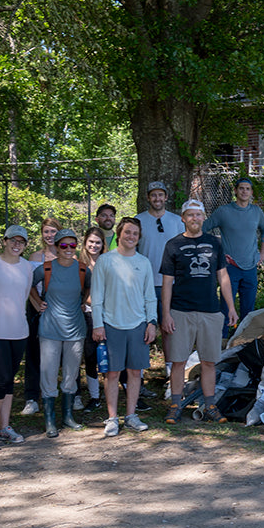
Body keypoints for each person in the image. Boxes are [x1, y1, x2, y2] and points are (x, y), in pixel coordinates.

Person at [161, 199, 239, 424]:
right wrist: (166, 314)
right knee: (178, 361)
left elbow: (223, 276)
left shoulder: (214, 243)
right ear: (183, 218)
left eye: (198, 215)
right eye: (190, 215)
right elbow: (167, 283)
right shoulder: (173, 245)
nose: (195, 218)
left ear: (204, 218)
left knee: (209, 361)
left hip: (210, 311)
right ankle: (176, 405)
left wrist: (230, 307)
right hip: (180, 310)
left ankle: (210, 406)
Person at [91, 217, 158, 437]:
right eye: (127, 232)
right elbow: (97, 297)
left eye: (135, 234)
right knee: (112, 373)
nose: (131, 237)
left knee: (135, 372)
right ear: (119, 235)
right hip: (111, 325)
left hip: (138, 325)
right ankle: (112, 418)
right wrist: (98, 325)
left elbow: (150, 297)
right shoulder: (105, 261)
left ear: (139, 238)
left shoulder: (144, 262)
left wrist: (151, 322)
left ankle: (131, 416)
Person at [30, 229, 90, 438]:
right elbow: (29, 286)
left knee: (71, 374)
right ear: (56, 247)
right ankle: (49, 420)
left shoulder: (83, 270)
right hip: (49, 329)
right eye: (63, 245)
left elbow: (89, 289)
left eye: (72, 245)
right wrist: (37, 303)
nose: (68, 249)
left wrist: (82, 304)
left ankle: (68, 416)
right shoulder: (45, 268)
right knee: (48, 373)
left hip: (75, 330)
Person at [0, 225, 37, 445]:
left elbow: (24, 295)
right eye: (13, 240)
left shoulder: (26, 267)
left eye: (21, 242)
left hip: (19, 331)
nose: (17, 245)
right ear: (4, 241)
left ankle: (4, 427)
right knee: (1, 379)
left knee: (10, 381)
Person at [203, 177, 264, 337]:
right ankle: (222, 344)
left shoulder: (256, 212)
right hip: (230, 268)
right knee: (226, 308)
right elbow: (203, 229)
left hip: (250, 267)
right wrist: (216, 253)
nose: (244, 191)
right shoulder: (224, 212)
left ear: (251, 192)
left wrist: (262, 252)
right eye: (241, 188)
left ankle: (244, 344)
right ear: (235, 190)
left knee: (249, 310)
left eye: (248, 189)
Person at [137, 181, 185, 381]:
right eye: (153, 195)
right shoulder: (137, 221)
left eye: (160, 195)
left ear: (166, 197)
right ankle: (138, 372)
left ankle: (169, 370)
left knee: (169, 329)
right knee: (142, 329)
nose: (157, 199)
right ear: (148, 197)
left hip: (171, 285)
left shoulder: (177, 221)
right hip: (144, 285)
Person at [20, 217, 61, 416]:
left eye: (53, 231)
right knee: (34, 353)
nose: (50, 235)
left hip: (61, 310)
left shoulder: (67, 255)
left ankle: (62, 394)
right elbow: (28, 285)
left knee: (61, 354)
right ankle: (31, 398)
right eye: (46, 231)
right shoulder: (34, 257)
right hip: (37, 309)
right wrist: (37, 305)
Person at [77, 227, 109, 412]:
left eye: (98, 242)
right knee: (90, 355)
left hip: (108, 315)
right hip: (87, 314)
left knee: (111, 355)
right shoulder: (78, 263)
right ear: (85, 243)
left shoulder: (109, 262)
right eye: (91, 242)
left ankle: (116, 393)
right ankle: (94, 397)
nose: (94, 245)